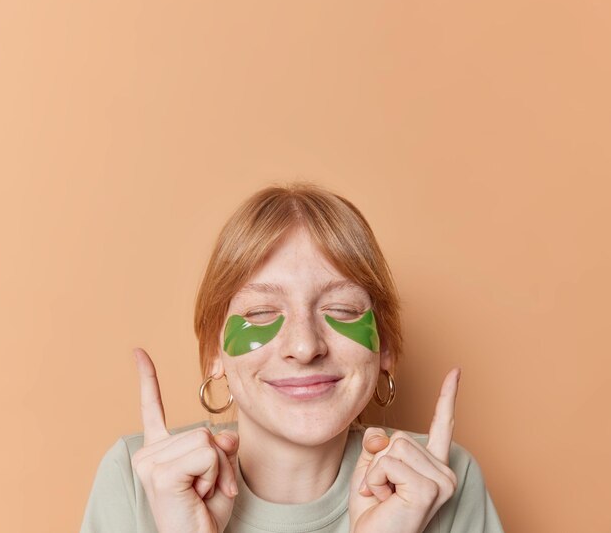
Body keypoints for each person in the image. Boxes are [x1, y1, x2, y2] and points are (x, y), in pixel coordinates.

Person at [80, 182, 504, 533]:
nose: (304, 347)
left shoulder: (441, 478)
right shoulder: (137, 480)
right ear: (213, 352)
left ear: (386, 346)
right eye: (262, 313)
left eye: (341, 310)